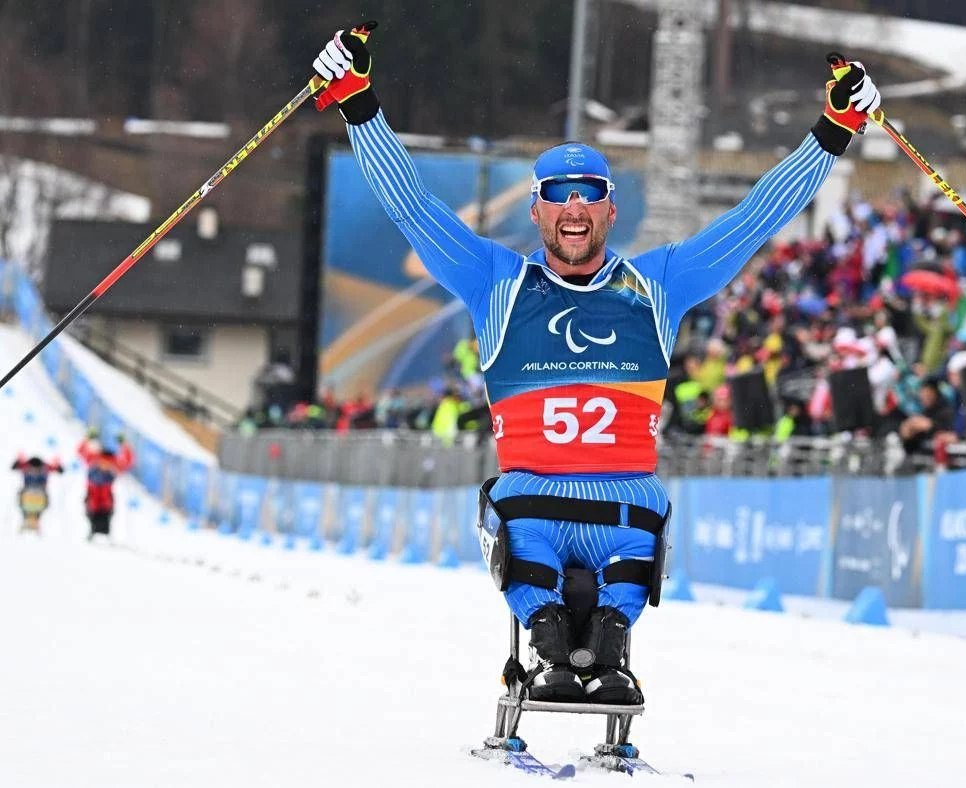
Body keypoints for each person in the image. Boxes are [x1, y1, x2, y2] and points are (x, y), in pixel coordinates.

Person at [313, 28, 882, 704]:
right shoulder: (497, 282)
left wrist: (834, 130)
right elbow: (411, 206)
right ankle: (549, 641)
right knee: (514, 514)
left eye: (590, 192)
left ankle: (611, 643)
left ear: (612, 208)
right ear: (536, 210)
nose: (574, 205)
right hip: (536, 506)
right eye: (558, 192)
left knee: (631, 533)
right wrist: (358, 105)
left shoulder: (657, 284)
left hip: (623, 508)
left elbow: (756, 219)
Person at [78, 431, 134, 541]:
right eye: (103, 462)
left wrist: (124, 444)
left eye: (107, 463)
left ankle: (106, 534)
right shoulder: (93, 459)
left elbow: (128, 460)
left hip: (106, 497)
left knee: (106, 515)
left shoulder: (114, 464)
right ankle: (92, 532)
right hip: (92, 495)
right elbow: (81, 451)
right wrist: (87, 438)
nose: (105, 465)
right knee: (91, 514)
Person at [12, 454, 62, 534]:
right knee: (25, 505)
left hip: (40, 496)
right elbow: (14, 467)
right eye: (32, 469)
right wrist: (17, 462)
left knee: (37, 507)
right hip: (27, 495)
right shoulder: (25, 466)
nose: (34, 470)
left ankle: (35, 521)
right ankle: (27, 520)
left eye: (36, 469)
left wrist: (58, 466)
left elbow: (58, 469)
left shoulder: (45, 468)